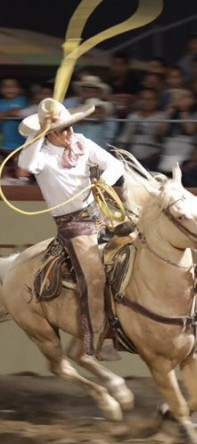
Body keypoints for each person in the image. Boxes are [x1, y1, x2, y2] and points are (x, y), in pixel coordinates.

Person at [16, 98, 124, 360]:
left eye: (71, 126)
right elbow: (25, 166)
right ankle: (99, 337)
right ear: (50, 132)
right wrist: (40, 133)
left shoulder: (83, 144)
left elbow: (115, 165)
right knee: (94, 276)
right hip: (72, 224)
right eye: (64, 129)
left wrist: (101, 182)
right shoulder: (40, 156)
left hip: (99, 213)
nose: (70, 132)